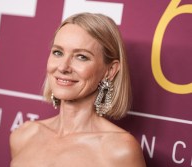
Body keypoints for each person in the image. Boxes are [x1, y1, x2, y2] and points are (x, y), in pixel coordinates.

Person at [10, 12, 146, 167]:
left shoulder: (120, 150)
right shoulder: (24, 135)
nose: (63, 67)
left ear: (110, 71)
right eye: (58, 52)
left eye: (81, 56)